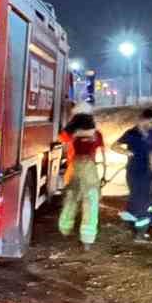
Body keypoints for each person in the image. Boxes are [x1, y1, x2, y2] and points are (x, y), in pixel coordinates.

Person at [57, 103, 105, 248]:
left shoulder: (72, 135)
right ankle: (87, 239)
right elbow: (102, 154)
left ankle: (65, 230)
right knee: (90, 200)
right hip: (90, 169)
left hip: (73, 168)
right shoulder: (96, 135)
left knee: (71, 199)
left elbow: (61, 137)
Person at [117, 108, 152, 240]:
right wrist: (126, 152)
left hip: (147, 173)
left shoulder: (150, 135)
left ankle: (132, 224)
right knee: (141, 202)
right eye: (151, 122)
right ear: (144, 120)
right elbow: (114, 145)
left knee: (144, 200)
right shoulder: (132, 133)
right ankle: (139, 235)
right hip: (134, 172)